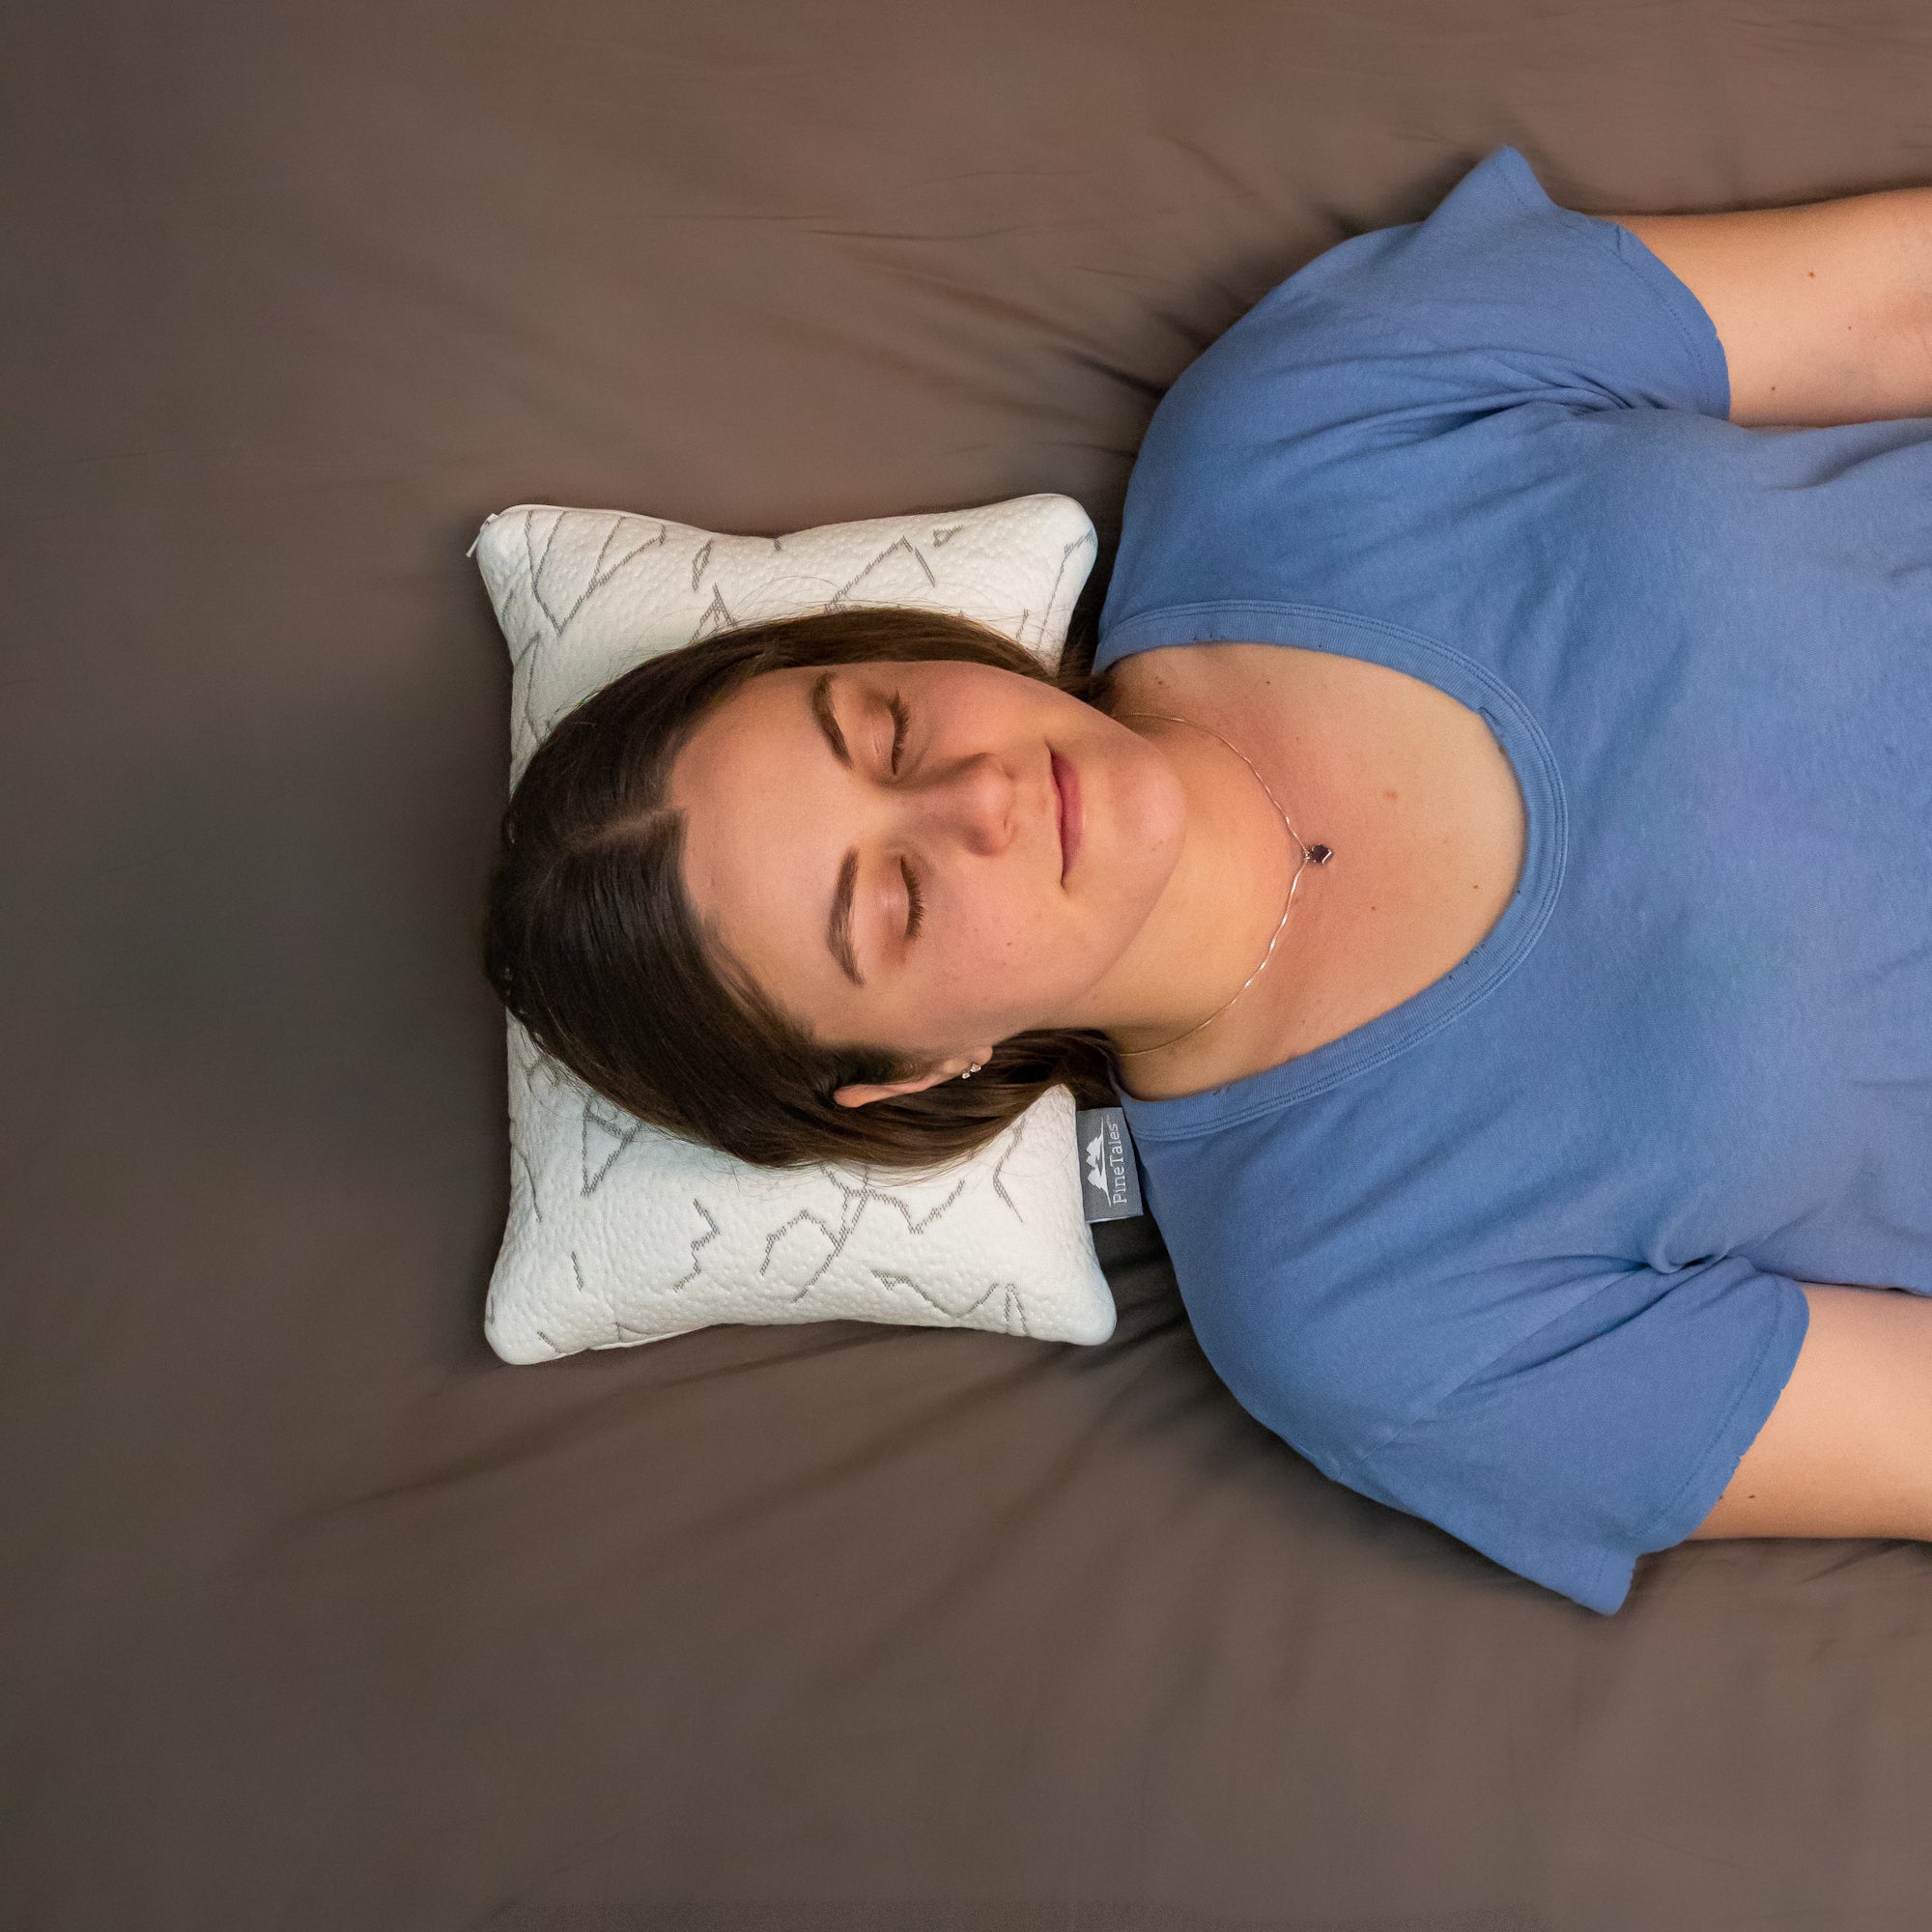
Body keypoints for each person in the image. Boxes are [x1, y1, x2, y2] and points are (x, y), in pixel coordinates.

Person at [484, 145, 1932, 1614]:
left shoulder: (1301, 420)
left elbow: (1896, 304)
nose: (977, 798)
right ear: (918, 1069)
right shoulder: (1366, 1316)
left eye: (886, 728)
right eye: (896, 903)